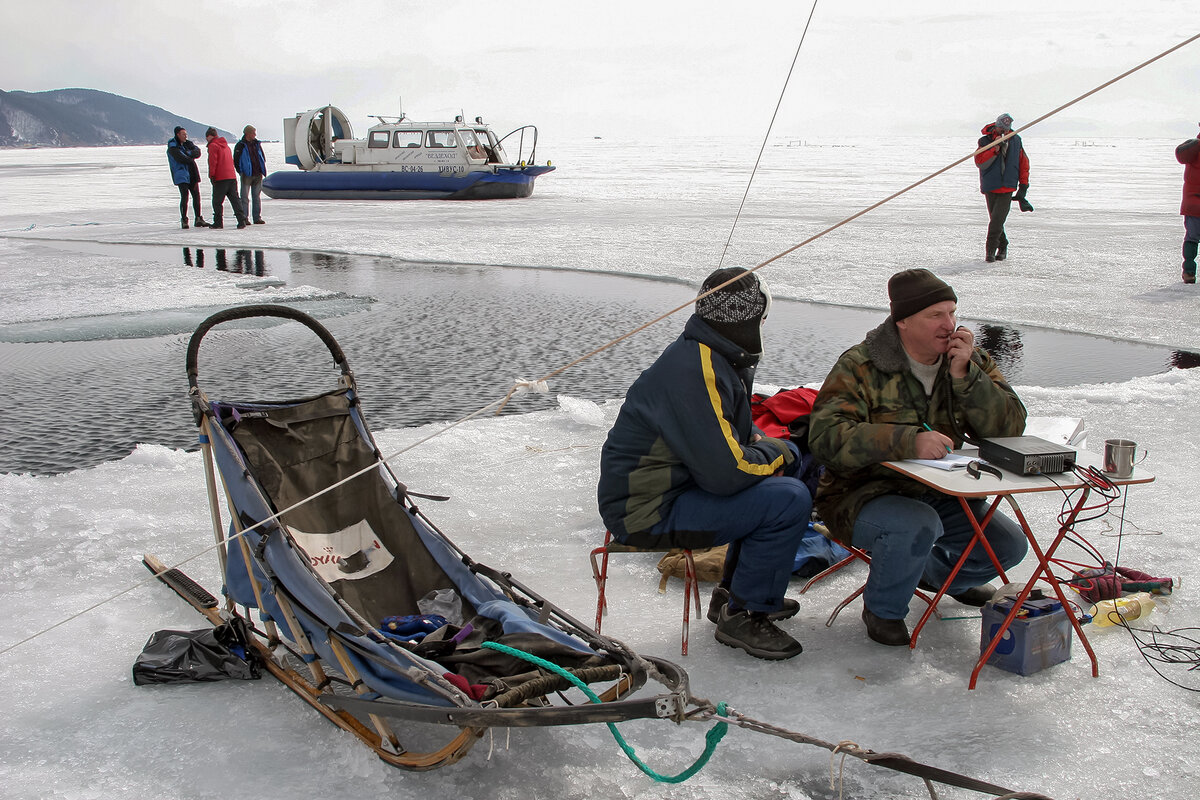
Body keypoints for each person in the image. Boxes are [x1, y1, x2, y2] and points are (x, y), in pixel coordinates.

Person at [597, 267, 813, 660]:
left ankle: (734, 596)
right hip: (644, 511)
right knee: (787, 498)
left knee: (788, 475)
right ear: (749, 320)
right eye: (762, 319)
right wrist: (782, 451)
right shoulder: (696, 369)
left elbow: (742, 437)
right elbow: (727, 475)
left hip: (676, 489)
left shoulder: (714, 355)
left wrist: (773, 452)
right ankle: (745, 614)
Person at [807, 268, 1029, 646]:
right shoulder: (862, 365)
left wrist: (966, 377)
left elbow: (1010, 428)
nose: (950, 325)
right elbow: (825, 437)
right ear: (904, 322)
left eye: (953, 312)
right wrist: (906, 441)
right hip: (861, 495)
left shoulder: (969, 360)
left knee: (1008, 546)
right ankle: (883, 610)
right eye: (936, 315)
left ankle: (935, 575)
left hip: (942, 491)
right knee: (916, 523)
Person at [975, 113, 1031, 263]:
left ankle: (990, 252)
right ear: (996, 125)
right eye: (1001, 128)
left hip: (1007, 187)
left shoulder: (1015, 140)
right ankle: (1003, 245)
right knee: (996, 220)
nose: (1003, 132)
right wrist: (995, 148)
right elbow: (980, 161)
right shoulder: (985, 141)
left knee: (996, 221)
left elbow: (1023, 163)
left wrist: (1023, 186)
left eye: (1006, 129)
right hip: (991, 186)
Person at [166, 127, 210, 229]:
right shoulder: (172, 146)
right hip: (181, 174)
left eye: (186, 134)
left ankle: (198, 218)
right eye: (183, 134)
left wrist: (188, 154)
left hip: (192, 173)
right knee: (184, 196)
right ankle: (184, 219)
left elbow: (197, 152)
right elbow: (180, 158)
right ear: (177, 134)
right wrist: (189, 155)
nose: (185, 136)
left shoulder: (187, 143)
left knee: (196, 196)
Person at [204, 127, 248, 230]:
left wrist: (212, 176)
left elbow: (213, 162)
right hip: (231, 176)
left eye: (207, 138)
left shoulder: (213, 146)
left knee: (217, 201)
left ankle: (218, 222)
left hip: (220, 177)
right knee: (235, 200)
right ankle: (241, 220)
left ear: (210, 136)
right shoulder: (226, 146)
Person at [1175, 124, 1200, 284]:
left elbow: (1180, 154)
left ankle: (1189, 272)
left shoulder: (1193, 148)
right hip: (1193, 203)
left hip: (1193, 204)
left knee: (1191, 238)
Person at [233, 125, 267, 225]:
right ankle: (244, 218)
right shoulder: (240, 145)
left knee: (256, 197)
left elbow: (262, 156)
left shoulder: (257, 144)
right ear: (248, 133)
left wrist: (262, 169)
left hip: (257, 173)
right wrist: (241, 171)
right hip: (246, 174)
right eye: (253, 133)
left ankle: (257, 217)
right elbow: (236, 160)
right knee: (244, 197)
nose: (255, 135)